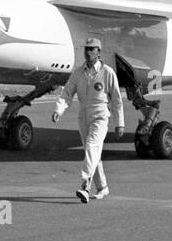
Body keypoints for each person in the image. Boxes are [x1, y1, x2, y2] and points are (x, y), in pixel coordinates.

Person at [52, 37, 124, 202]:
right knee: (92, 153)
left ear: (99, 52)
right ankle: (102, 187)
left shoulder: (107, 73)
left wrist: (119, 123)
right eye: (86, 49)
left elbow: (116, 99)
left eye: (92, 49)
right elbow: (67, 92)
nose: (88, 52)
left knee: (92, 146)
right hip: (83, 116)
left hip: (100, 115)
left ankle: (85, 184)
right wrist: (58, 110)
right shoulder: (78, 73)